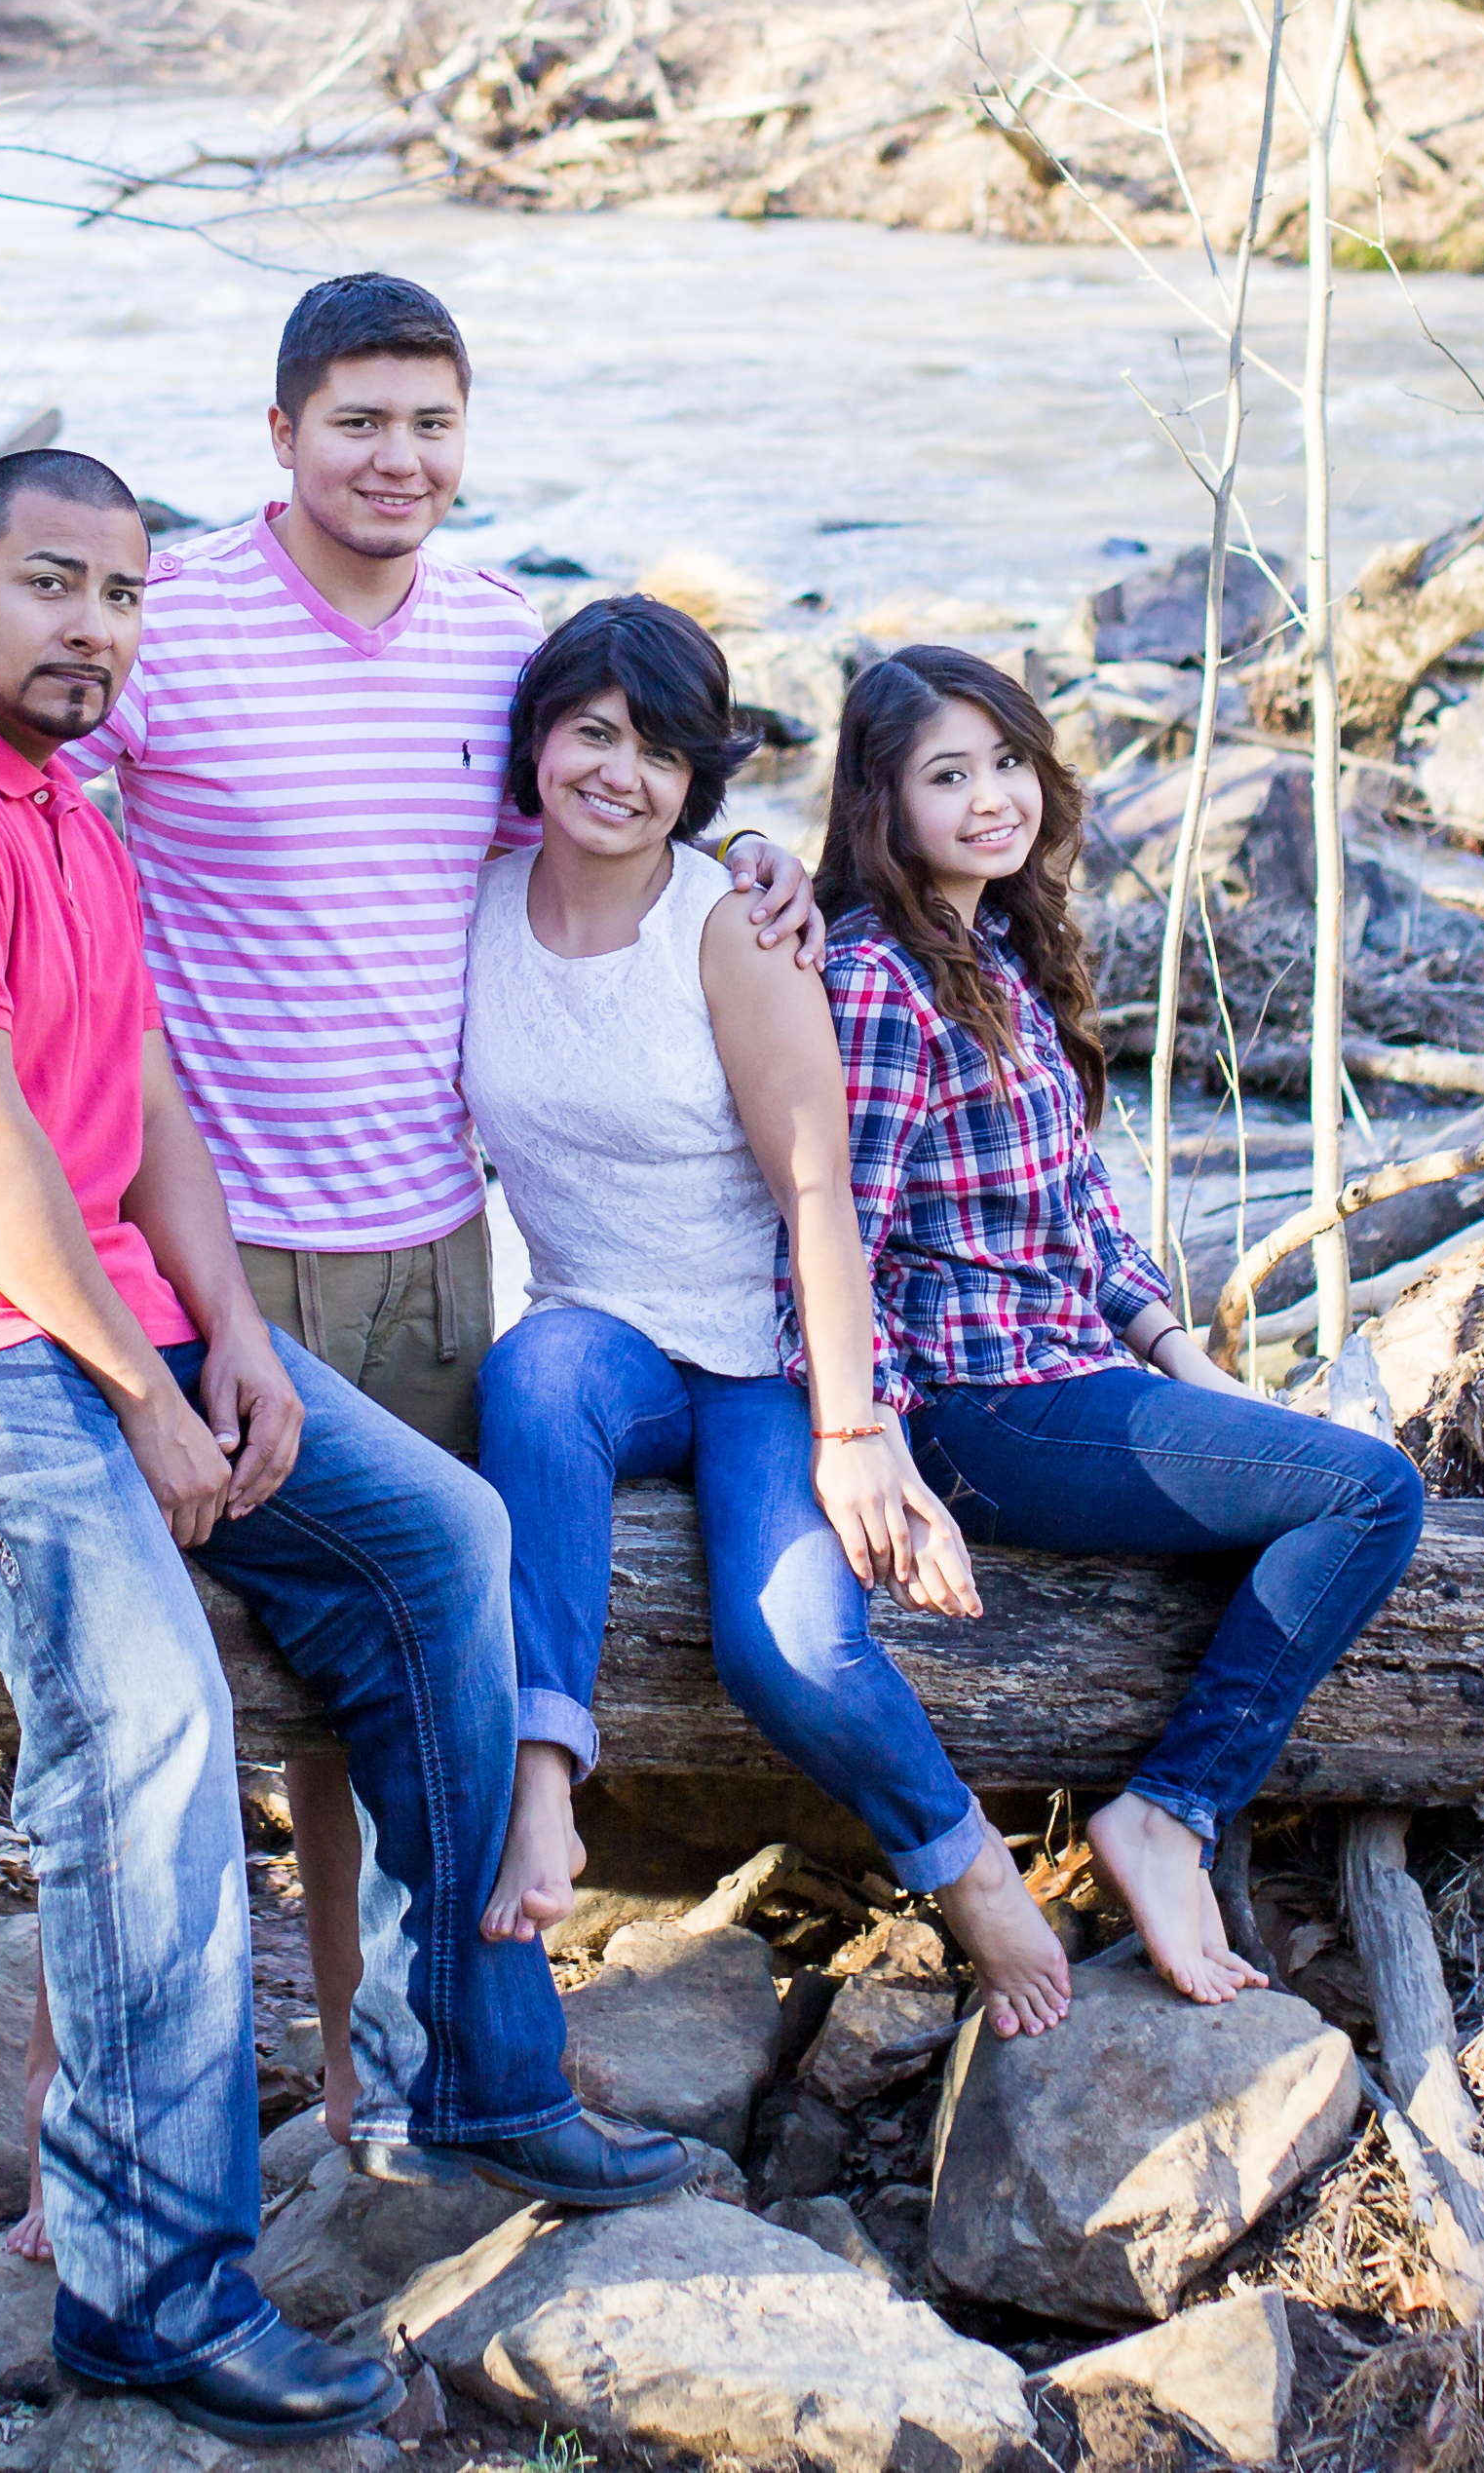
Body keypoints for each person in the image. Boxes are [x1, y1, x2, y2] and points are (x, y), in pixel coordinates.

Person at [0, 277, 824, 2226]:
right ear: (281, 435)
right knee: (128, 1688)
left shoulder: (503, 641)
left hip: (432, 1239)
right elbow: (17, 795)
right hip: (199, 1254)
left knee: (391, 1684)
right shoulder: (170, 627)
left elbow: (609, 817)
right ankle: (65, 2144)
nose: (398, 458)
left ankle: (380, 2085)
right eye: (359, 421)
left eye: (433, 421)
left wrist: (760, 857)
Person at [0, 447, 693, 2448]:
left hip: (113, 1319)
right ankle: (148, 2284)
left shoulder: (64, 806)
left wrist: (229, 1336)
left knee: (441, 1540)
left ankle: (472, 2072)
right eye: (51, 584)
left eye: (121, 597)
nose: (91, 626)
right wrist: (149, 1397)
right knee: (150, 1710)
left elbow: (143, 1082)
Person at [458, 597, 1074, 2036]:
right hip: (601, 1336)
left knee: (790, 1641)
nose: (621, 774)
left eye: (662, 753)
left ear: (700, 781)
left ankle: (966, 1863)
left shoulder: (732, 923)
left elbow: (818, 1190)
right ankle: (541, 1785)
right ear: (537, 742)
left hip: (763, 1360)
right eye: (593, 735)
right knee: (534, 1376)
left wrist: (857, 1429)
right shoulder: (474, 899)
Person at [814, 644, 1428, 2005]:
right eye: (946, 774)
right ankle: (1166, 1810)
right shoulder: (873, 979)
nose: (991, 798)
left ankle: (1171, 1811)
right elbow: (829, 1236)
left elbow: (1086, 1220)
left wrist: (1187, 1358)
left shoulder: (991, 954)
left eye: (1007, 763)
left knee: (1322, 1462)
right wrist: (868, 1444)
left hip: (1069, 1374)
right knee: (1371, 1494)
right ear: (878, 803)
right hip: (978, 1410)